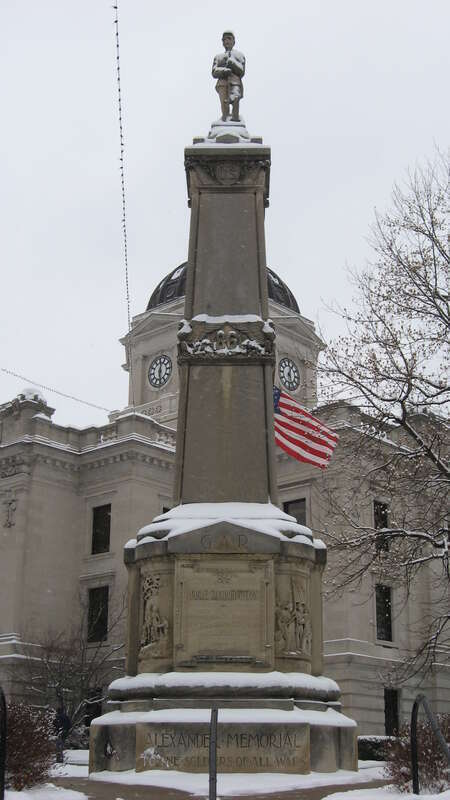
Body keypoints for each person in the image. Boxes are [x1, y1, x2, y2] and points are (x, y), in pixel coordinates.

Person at [212, 31, 245, 122]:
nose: (227, 41)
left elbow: (241, 71)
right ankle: (225, 119)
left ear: (234, 41)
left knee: (235, 100)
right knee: (224, 104)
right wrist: (224, 71)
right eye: (225, 39)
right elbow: (214, 72)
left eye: (229, 39)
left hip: (235, 82)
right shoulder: (218, 57)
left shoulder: (239, 55)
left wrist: (232, 63)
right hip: (222, 83)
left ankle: (235, 119)